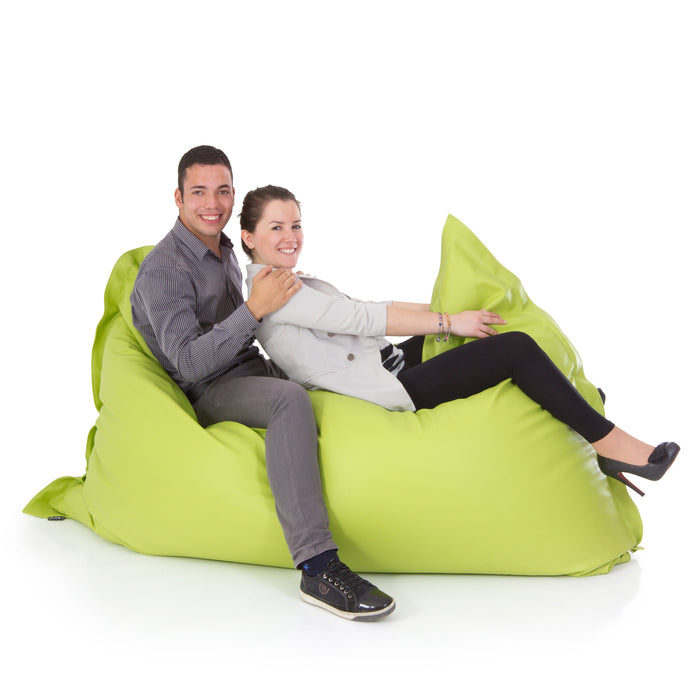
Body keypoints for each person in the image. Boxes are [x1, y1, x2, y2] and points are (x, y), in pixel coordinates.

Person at [240, 185, 680, 496]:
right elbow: (359, 317)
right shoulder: (272, 293)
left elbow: (369, 306)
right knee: (514, 348)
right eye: (276, 227)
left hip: (388, 361)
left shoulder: (291, 280)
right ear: (249, 237)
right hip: (386, 388)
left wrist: (448, 307)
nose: (290, 237)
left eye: (296, 225)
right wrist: (449, 320)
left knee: (488, 329)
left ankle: (574, 405)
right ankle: (609, 443)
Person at [130, 146, 395, 621]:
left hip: (251, 369)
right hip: (210, 388)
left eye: (223, 191)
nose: (213, 203)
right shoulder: (165, 270)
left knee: (327, 373)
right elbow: (188, 362)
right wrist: (255, 308)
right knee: (289, 400)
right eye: (199, 192)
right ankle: (317, 567)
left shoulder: (224, 250)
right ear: (178, 197)